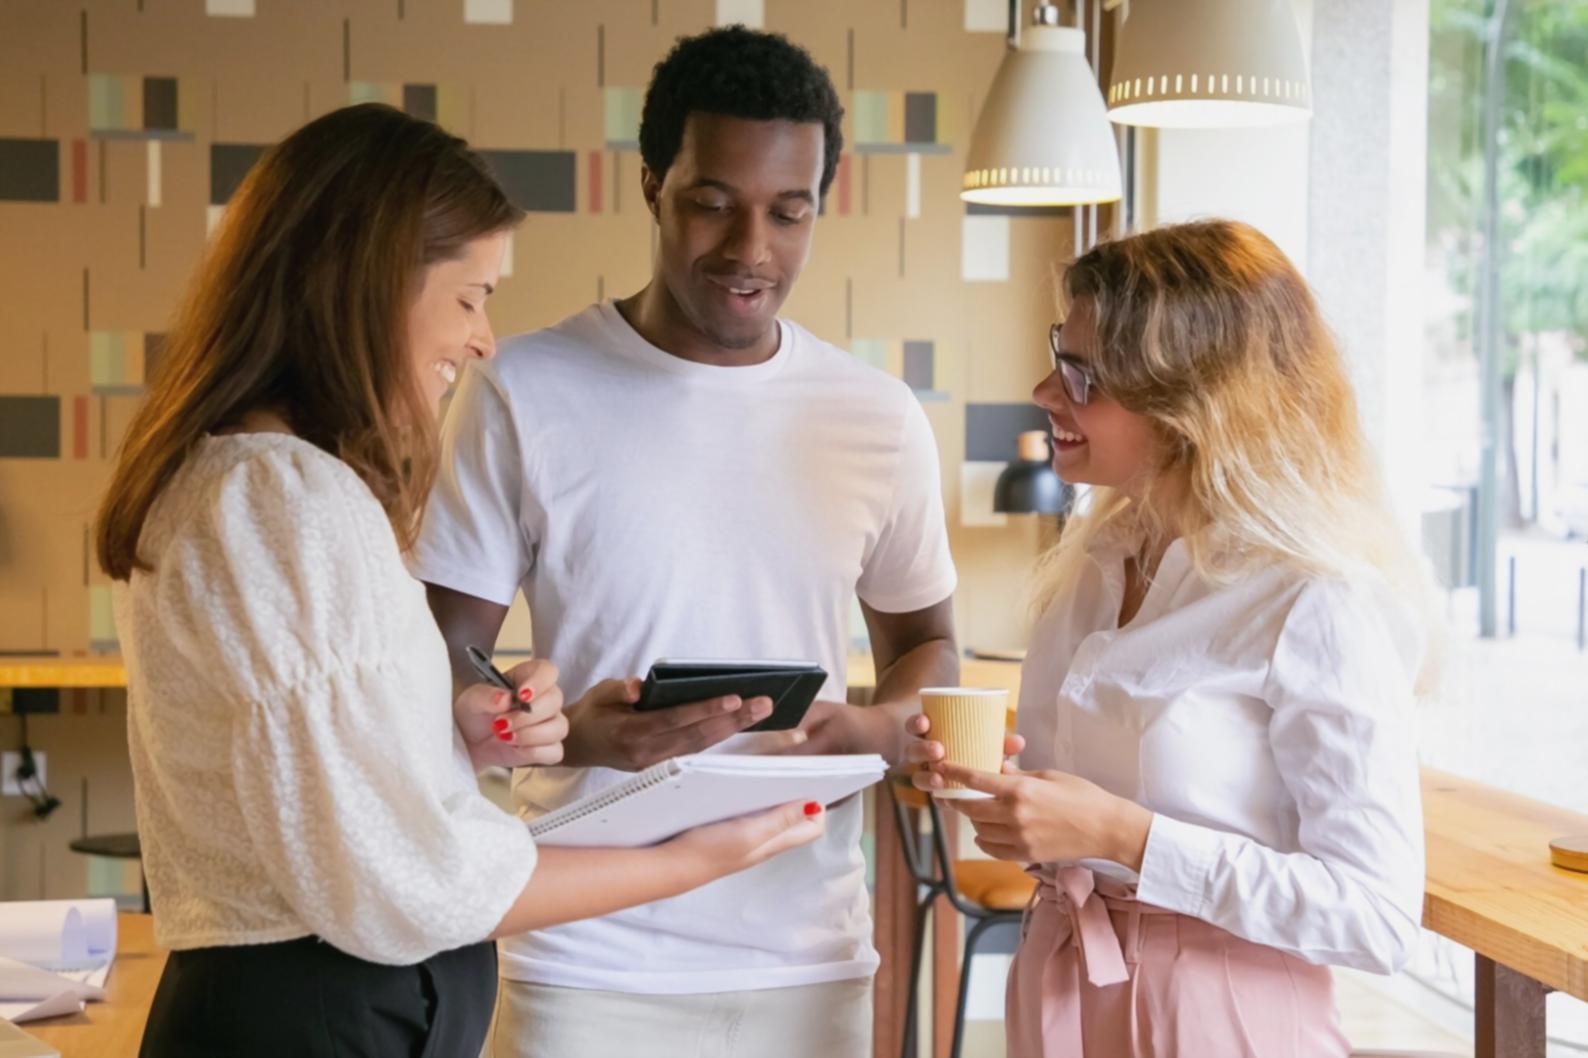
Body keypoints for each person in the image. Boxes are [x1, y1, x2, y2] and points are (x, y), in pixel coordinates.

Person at [95, 102, 824, 1058]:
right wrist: (693, 859)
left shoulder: (274, 486)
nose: (482, 338)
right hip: (313, 1017)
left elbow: (318, 781)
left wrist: (453, 737)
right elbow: (406, 879)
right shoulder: (279, 499)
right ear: (370, 286)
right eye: (470, 295)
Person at [413, 27, 958, 1058]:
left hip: (804, 952)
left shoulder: (875, 416)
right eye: (713, 201)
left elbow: (928, 642)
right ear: (653, 185)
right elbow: (441, 659)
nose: (751, 247)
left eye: (787, 212)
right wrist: (572, 730)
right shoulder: (520, 389)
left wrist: (884, 726)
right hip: (579, 952)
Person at [907, 220, 1432, 1057]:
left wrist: (1123, 838)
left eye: (1083, 375)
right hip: (1064, 979)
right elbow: (1083, 797)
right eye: (1059, 356)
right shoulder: (1092, 567)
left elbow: (1376, 917)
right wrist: (1000, 794)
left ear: (1194, 400)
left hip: (1220, 1016)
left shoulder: (1313, 601)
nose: (1045, 390)